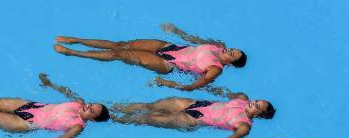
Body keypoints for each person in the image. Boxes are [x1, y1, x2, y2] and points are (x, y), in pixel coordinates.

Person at [54, 23, 246, 91]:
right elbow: (194, 40)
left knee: (119, 55)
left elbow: (193, 86)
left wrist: (170, 84)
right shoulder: (218, 47)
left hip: (167, 63)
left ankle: (73, 52)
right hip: (168, 46)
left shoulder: (215, 70)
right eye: (232, 49)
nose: (229, 51)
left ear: (231, 64)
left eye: (232, 55)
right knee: (120, 44)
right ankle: (75, 40)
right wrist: (176, 30)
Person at [112, 89, 275, 138]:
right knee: (150, 105)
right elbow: (220, 92)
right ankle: (115, 107)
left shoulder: (244, 125)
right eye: (257, 100)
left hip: (193, 119)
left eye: (257, 105)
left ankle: (116, 118)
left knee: (148, 119)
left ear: (259, 115)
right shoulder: (242, 98)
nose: (253, 102)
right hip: (194, 103)